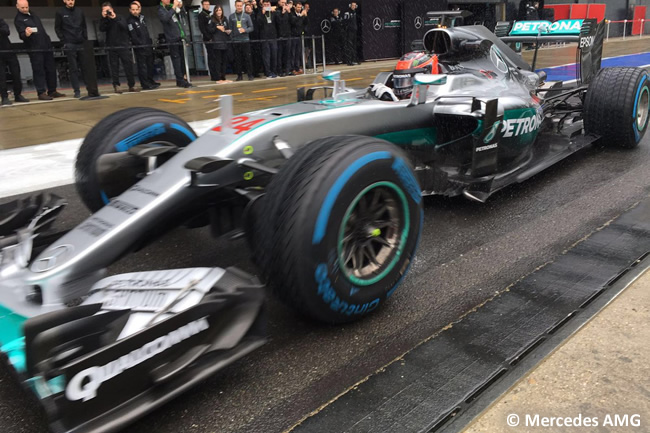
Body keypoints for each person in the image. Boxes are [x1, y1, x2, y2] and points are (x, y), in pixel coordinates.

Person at [14, 0, 65, 101]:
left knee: (50, 69)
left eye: (26, 7)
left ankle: (52, 90)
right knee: (39, 70)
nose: (25, 9)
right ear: (17, 7)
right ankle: (41, 92)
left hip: (46, 45)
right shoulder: (18, 19)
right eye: (22, 8)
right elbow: (21, 35)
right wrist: (26, 34)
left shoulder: (33, 15)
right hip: (34, 48)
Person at [55, 0, 96, 98]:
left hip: (81, 42)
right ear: (64, 1)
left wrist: (84, 39)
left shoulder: (80, 11)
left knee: (85, 67)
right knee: (73, 68)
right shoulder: (60, 12)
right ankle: (76, 91)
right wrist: (64, 42)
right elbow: (57, 28)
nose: (71, 2)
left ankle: (89, 89)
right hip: (70, 43)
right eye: (68, 0)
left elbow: (84, 26)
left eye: (72, 0)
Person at [100, 2, 137, 93]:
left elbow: (124, 27)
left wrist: (114, 17)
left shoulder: (120, 17)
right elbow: (101, 29)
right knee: (114, 67)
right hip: (112, 47)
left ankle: (131, 85)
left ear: (112, 9)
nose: (107, 12)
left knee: (128, 66)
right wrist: (104, 18)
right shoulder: (105, 20)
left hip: (123, 45)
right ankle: (116, 85)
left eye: (108, 10)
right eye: (104, 10)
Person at [158, 0, 192, 87]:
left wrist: (180, 6)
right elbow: (165, 19)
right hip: (172, 38)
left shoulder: (170, 7)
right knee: (176, 60)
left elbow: (182, 17)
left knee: (182, 60)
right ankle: (180, 80)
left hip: (180, 37)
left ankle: (184, 78)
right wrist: (173, 8)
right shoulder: (161, 10)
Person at [127, 1, 159, 90]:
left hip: (147, 45)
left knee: (150, 65)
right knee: (142, 66)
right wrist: (140, 44)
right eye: (133, 9)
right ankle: (145, 84)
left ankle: (150, 80)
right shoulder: (130, 21)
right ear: (130, 10)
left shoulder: (142, 18)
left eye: (137, 9)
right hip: (140, 47)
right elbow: (133, 36)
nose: (135, 11)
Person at [0, 18, 28, 105]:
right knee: (1, 76)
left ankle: (18, 94)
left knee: (16, 73)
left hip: (8, 50)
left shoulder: (0, 20)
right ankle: (4, 97)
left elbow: (6, 31)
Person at [228, 0, 254, 81]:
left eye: (240, 5)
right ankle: (239, 75)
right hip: (236, 41)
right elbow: (230, 29)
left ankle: (250, 75)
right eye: (237, 5)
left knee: (248, 58)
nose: (239, 7)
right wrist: (231, 38)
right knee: (238, 59)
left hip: (245, 40)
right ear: (235, 6)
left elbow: (251, 27)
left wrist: (245, 30)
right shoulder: (231, 16)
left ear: (242, 6)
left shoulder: (247, 16)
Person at [198, 0, 218, 81]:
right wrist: (208, 38)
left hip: (214, 38)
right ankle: (213, 75)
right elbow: (202, 28)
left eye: (208, 4)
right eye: (205, 4)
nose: (207, 6)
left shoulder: (210, 15)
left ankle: (216, 73)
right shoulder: (201, 15)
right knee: (211, 57)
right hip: (208, 39)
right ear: (202, 5)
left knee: (215, 56)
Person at [256, 0, 278, 78]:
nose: (266, 6)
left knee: (274, 55)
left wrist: (275, 11)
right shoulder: (260, 13)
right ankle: (268, 72)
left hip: (273, 37)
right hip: (264, 38)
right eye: (265, 5)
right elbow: (258, 23)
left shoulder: (273, 13)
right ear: (263, 5)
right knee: (266, 56)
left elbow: (278, 23)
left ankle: (274, 71)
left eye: (268, 4)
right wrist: (262, 14)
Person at [211, 5, 231, 83]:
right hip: (217, 43)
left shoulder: (225, 19)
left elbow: (227, 28)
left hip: (224, 42)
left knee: (224, 61)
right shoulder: (212, 19)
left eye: (220, 10)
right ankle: (218, 77)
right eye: (217, 10)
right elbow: (210, 30)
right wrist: (216, 27)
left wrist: (228, 31)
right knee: (218, 61)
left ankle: (223, 77)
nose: (219, 12)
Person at [289, 1, 307, 75]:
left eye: (300, 7)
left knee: (298, 53)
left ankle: (297, 66)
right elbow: (294, 22)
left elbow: (305, 23)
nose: (299, 9)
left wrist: (305, 16)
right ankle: (292, 68)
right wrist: (300, 16)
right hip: (293, 36)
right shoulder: (292, 14)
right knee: (292, 53)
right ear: (295, 7)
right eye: (298, 7)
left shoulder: (302, 14)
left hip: (299, 35)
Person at [276, 0, 292, 76]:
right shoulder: (277, 11)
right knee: (280, 55)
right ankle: (280, 71)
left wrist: (289, 12)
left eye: (285, 2)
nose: (283, 4)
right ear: (279, 2)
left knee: (288, 54)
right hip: (280, 36)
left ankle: (287, 70)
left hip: (288, 35)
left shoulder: (288, 11)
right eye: (282, 2)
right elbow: (278, 22)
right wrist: (282, 13)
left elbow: (292, 22)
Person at [343, 1, 359, 66]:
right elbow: (345, 21)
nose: (354, 7)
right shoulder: (347, 12)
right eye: (352, 5)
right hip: (349, 31)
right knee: (349, 46)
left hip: (354, 30)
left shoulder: (355, 12)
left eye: (355, 5)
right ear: (350, 5)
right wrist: (347, 28)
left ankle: (354, 59)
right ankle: (349, 61)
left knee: (354, 45)